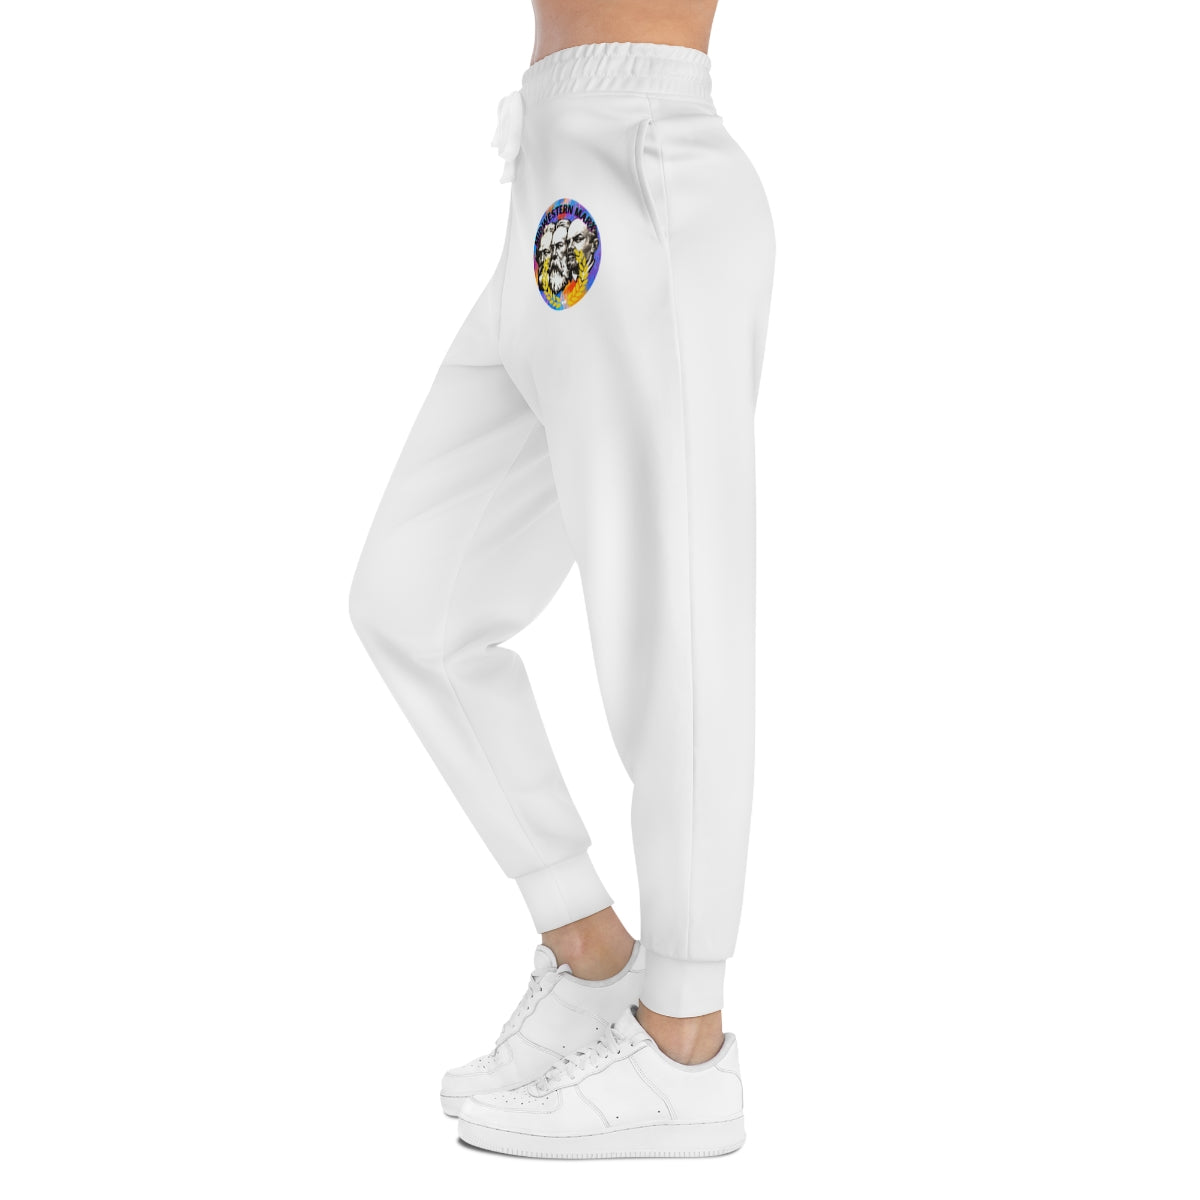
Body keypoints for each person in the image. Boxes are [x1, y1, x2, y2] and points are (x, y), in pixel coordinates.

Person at [349, 0, 775, 1158]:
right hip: (550, 189)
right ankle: (591, 953)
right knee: (412, 601)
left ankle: (685, 1037)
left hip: (642, 169)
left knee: (674, 622)